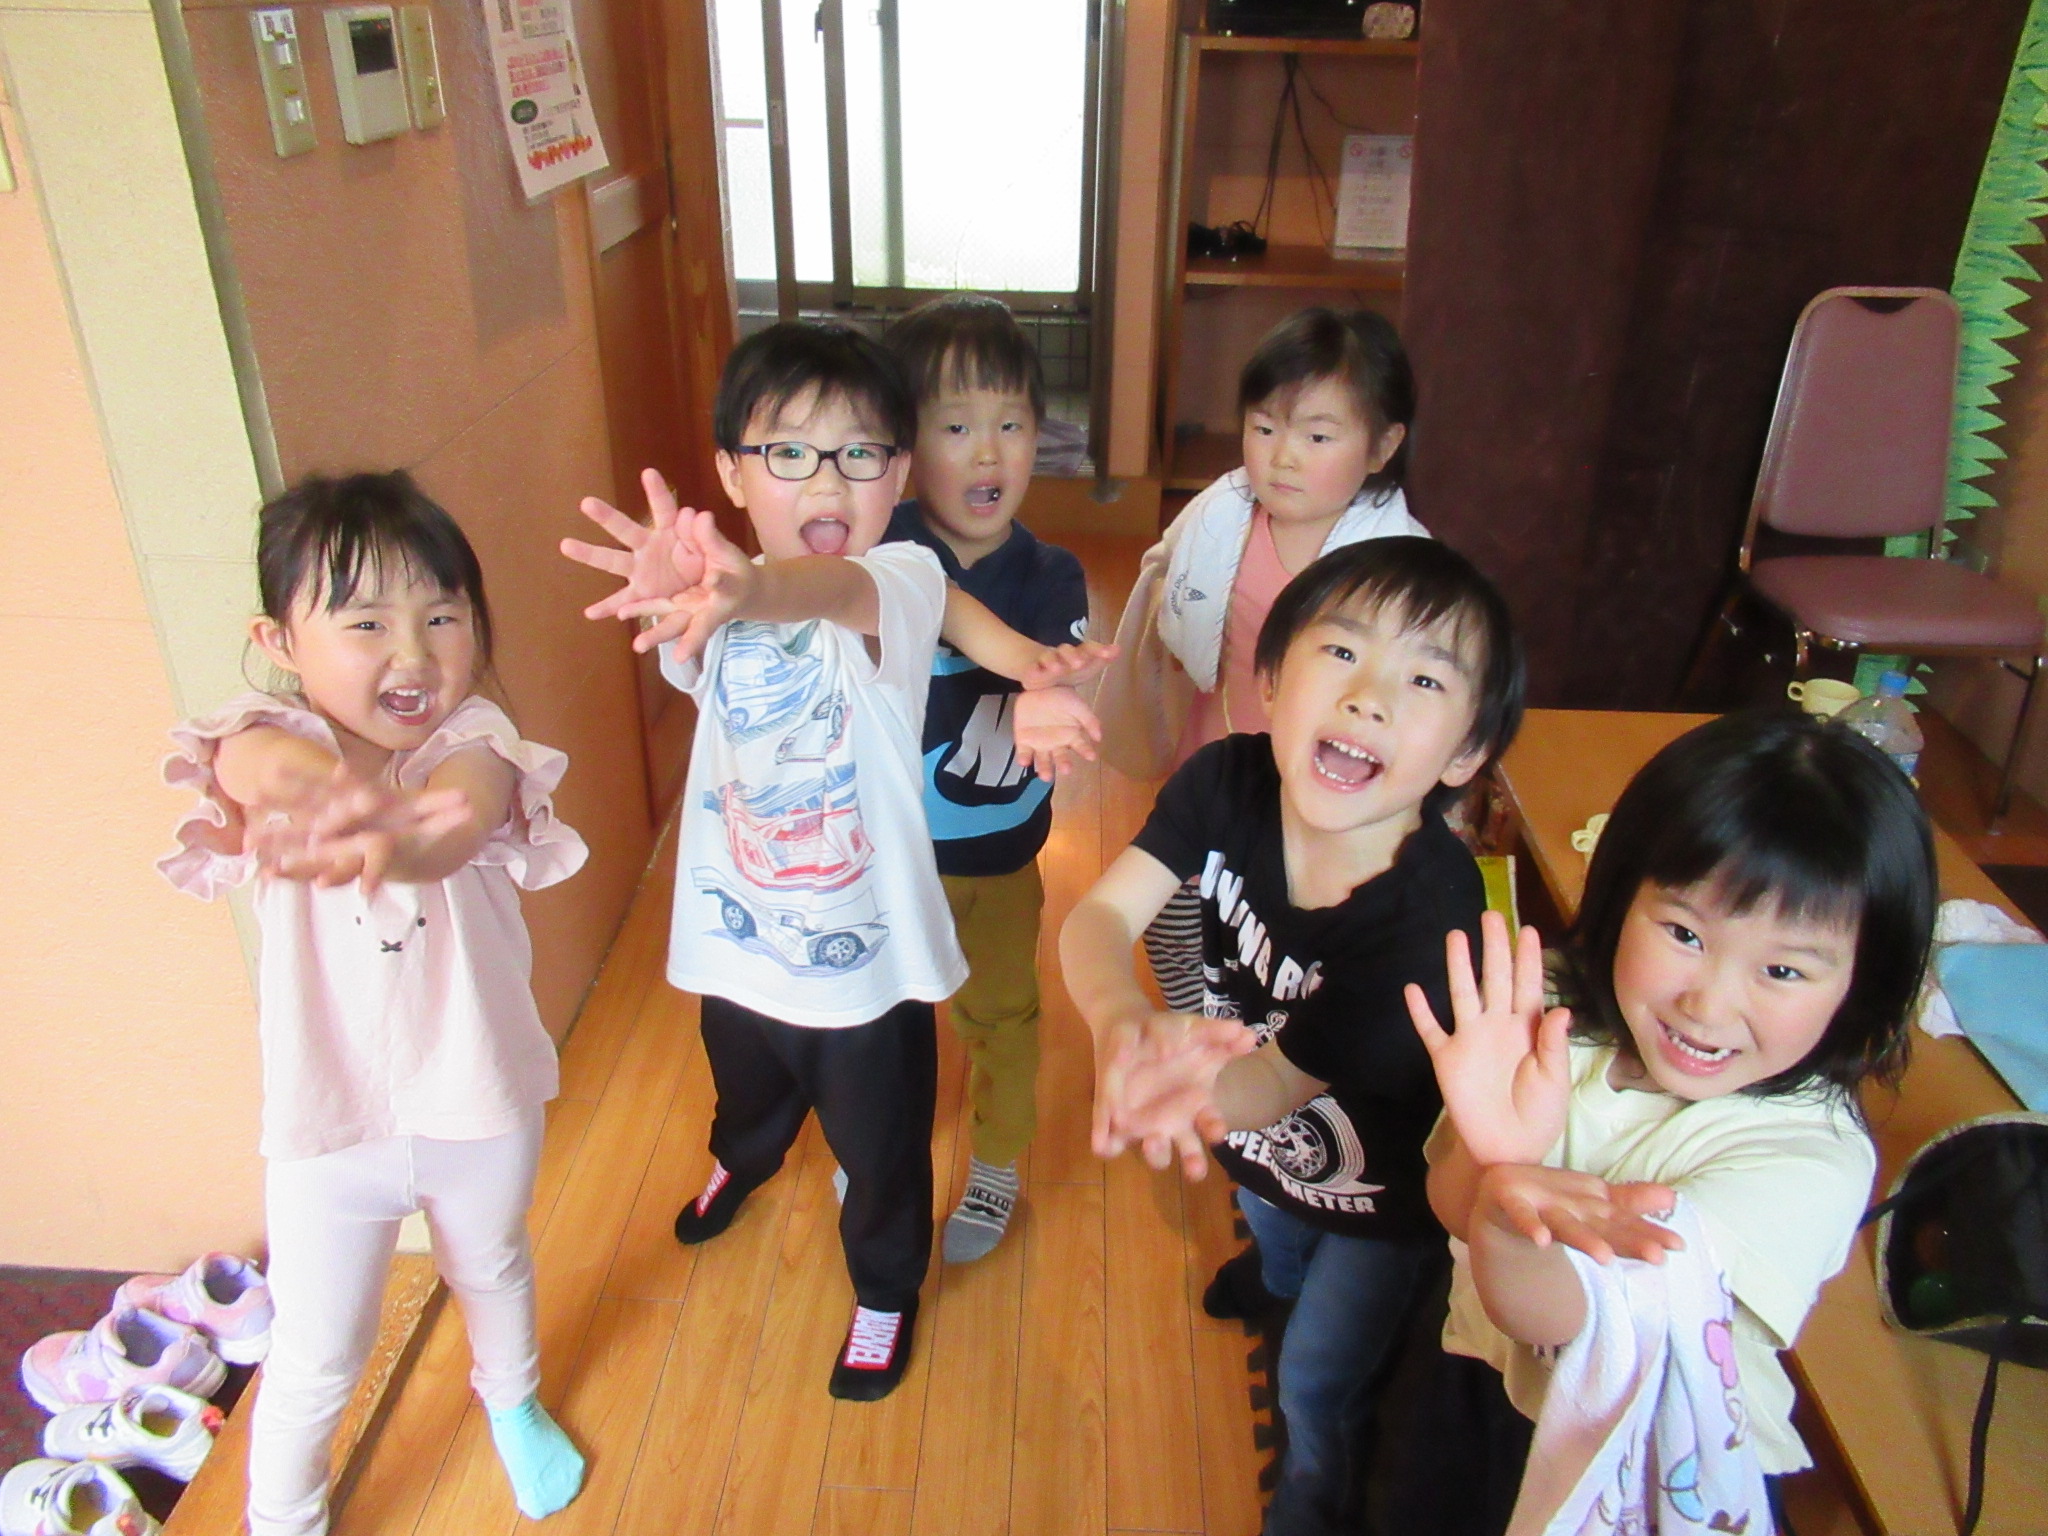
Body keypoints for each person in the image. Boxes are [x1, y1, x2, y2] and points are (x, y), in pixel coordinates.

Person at [559, 320, 1105, 1400]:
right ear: (731, 473)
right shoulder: (713, 602)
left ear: (896, 475)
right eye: (788, 452)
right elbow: (709, 644)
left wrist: (748, 590)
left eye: (858, 453)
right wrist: (689, 591)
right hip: (738, 936)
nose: (825, 479)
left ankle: (885, 1290)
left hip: (864, 963)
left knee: (880, 1142)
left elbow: (813, 594)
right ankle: (745, 1162)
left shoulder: (895, 575)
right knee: (745, 1087)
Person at [1065, 537, 1526, 1536]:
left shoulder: (1427, 920)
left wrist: (1174, 1090)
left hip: (1382, 1201)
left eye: (1423, 679)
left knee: (1316, 1375)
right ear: (1269, 682)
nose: (1368, 698)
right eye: (1342, 651)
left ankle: (1316, 1498)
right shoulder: (1224, 782)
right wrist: (1118, 1022)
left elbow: (1275, 1083)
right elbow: (1097, 918)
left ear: (1463, 756)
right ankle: (1272, 1273)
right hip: (1255, 1140)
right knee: (1268, 1224)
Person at [157, 472, 589, 1536]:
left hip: (477, 1098)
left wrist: (395, 838)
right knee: (315, 1350)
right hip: (330, 1124)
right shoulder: (261, 735)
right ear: (279, 641)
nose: (413, 651)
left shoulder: (475, 737)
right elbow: (257, 763)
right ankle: (283, 1514)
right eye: (366, 623)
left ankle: (512, 1401)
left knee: (491, 1264)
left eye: (442, 615)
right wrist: (321, 795)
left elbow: (461, 815)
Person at [1401, 710, 1937, 1534]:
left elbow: (1572, 1321)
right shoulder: (1550, 1015)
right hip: (1486, 1378)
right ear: (1621, 894)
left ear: (1864, 987)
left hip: (1652, 1463)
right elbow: (1451, 1204)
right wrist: (1493, 1159)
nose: (1708, 1004)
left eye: (1783, 969)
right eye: (1685, 932)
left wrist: (1510, 1206)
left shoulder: (1807, 1159)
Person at [1097, 305, 1426, 1017]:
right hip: (1211, 766)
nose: (1283, 456)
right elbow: (1162, 606)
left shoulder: (1400, 569)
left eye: (1317, 436)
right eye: (1264, 427)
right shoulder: (1219, 517)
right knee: (1176, 920)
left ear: (1382, 446)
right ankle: (1198, 1022)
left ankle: (1265, 1044)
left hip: (1316, 796)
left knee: (1280, 938)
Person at [881, 293, 1091, 1262]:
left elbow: (1053, 669)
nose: (987, 454)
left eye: (1011, 426)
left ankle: (997, 1158)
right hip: (881, 850)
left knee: (1001, 1013)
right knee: (883, 1013)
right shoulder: (880, 556)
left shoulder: (1050, 575)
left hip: (998, 854)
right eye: (956, 427)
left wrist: (1048, 694)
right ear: (904, 448)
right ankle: (878, 1143)